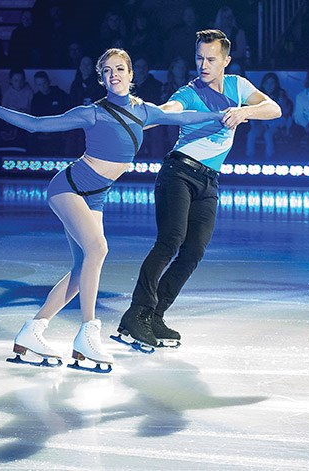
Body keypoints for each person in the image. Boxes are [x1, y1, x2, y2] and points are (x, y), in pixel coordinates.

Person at [0, 48, 225, 372]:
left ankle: (32, 331)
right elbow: (37, 124)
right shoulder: (92, 113)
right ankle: (87, 332)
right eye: (108, 70)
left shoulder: (144, 111)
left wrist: (224, 115)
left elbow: (182, 117)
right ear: (102, 78)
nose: (115, 74)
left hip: (96, 195)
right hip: (68, 187)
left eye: (120, 69)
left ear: (130, 75)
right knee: (98, 249)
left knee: (83, 269)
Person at [116, 30, 281, 350]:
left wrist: (244, 111)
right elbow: (167, 110)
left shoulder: (238, 87)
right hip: (178, 173)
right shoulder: (190, 92)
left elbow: (273, 108)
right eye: (199, 59)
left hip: (209, 182)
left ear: (226, 61)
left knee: (193, 251)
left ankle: (155, 315)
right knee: (170, 241)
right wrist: (132, 120)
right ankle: (137, 313)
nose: (203, 65)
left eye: (210, 59)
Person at [245, 72, 293, 161]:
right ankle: (250, 157)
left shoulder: (281, 97)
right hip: (262, 125)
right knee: (251, 134)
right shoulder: (258, 97)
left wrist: (271, 125)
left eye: (272, 83)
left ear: (276, 84)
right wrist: (255, 124)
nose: (269, 86)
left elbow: (284, 116)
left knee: (268, 134)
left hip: (277, 126)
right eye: (267, 83)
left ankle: (269, 158)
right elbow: (254, 114)